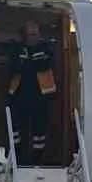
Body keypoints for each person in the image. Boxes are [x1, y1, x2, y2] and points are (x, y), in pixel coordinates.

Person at [5, 20, 58, 165]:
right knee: (17, 130)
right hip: (19, 96)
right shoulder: (17, 48)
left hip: (41, 97)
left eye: (34, 34)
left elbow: (46, 65)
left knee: (39, 132)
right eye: (28, 34)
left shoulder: (47, 48)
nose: (31, 37)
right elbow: (14, 67)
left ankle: (37, 160)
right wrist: (32, 61)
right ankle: (17, 159)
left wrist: (27, 62)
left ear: (39, 34)